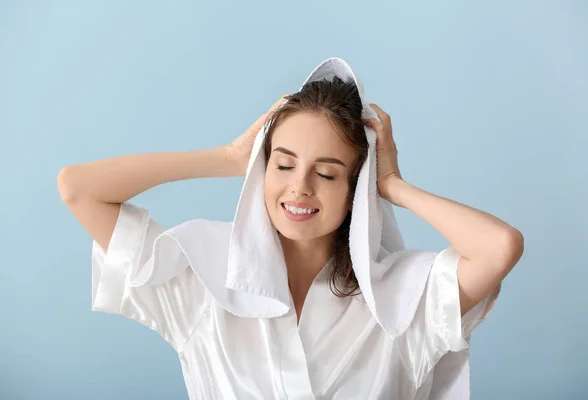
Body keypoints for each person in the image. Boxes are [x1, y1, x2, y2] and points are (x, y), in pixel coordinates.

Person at [57, 58, 523, 399]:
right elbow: (79, 188)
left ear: (355, 189)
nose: (299, 189)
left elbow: (499, 247)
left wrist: (392, 184)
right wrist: (226, 158)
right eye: (282, 165)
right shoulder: (201, 276)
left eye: (326, 174)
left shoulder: (402, 300)